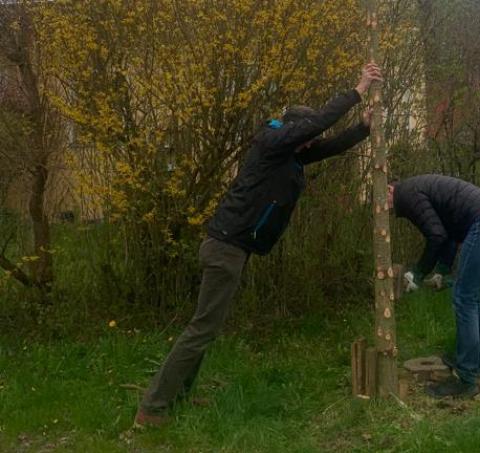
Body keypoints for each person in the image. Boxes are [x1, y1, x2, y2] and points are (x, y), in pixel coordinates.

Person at [134, 63, 383, 427]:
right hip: (225, 248)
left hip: (233, 247)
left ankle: (176, 398)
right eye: (305, 137)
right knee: (201, 329)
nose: (309, 145)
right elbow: (317, 128)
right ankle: (153, 408)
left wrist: (363, 128)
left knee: (205, 329)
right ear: (293, 131)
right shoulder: (271, 142)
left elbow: (327, 146)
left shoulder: (288, 155)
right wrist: (357, 90)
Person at [390, 175, 480, 398]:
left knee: (464, 297)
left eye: (384, 202)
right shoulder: (415, 188)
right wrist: (442, 270)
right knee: (471, 295)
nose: (387, 209)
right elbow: (448, 233)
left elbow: (436, 235)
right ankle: (476, 362)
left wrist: (417, 273)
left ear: (389, 190)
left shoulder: (405, 194)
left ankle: (466, 378)